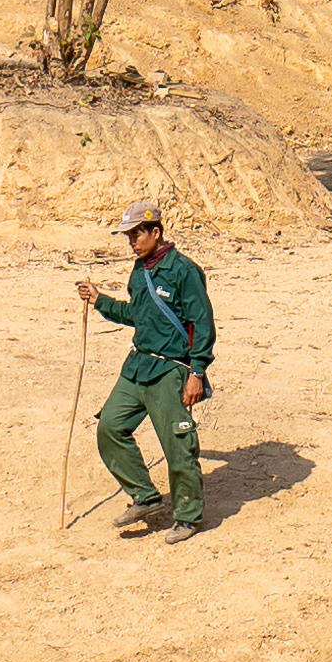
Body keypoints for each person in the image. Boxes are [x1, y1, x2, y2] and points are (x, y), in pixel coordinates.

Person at [74, 200, 214, 542]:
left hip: (171, 370)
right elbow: (138, 315)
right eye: (128, 236)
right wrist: (99, 300)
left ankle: (188, 516)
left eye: (137, 234)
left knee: (178, 446)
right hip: (138, 365)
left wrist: (197, 372)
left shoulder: (184, 271)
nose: (132, 242)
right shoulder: (140, 271)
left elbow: (203, 322)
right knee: (110, 427)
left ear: (156, 232)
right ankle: (145, 497)